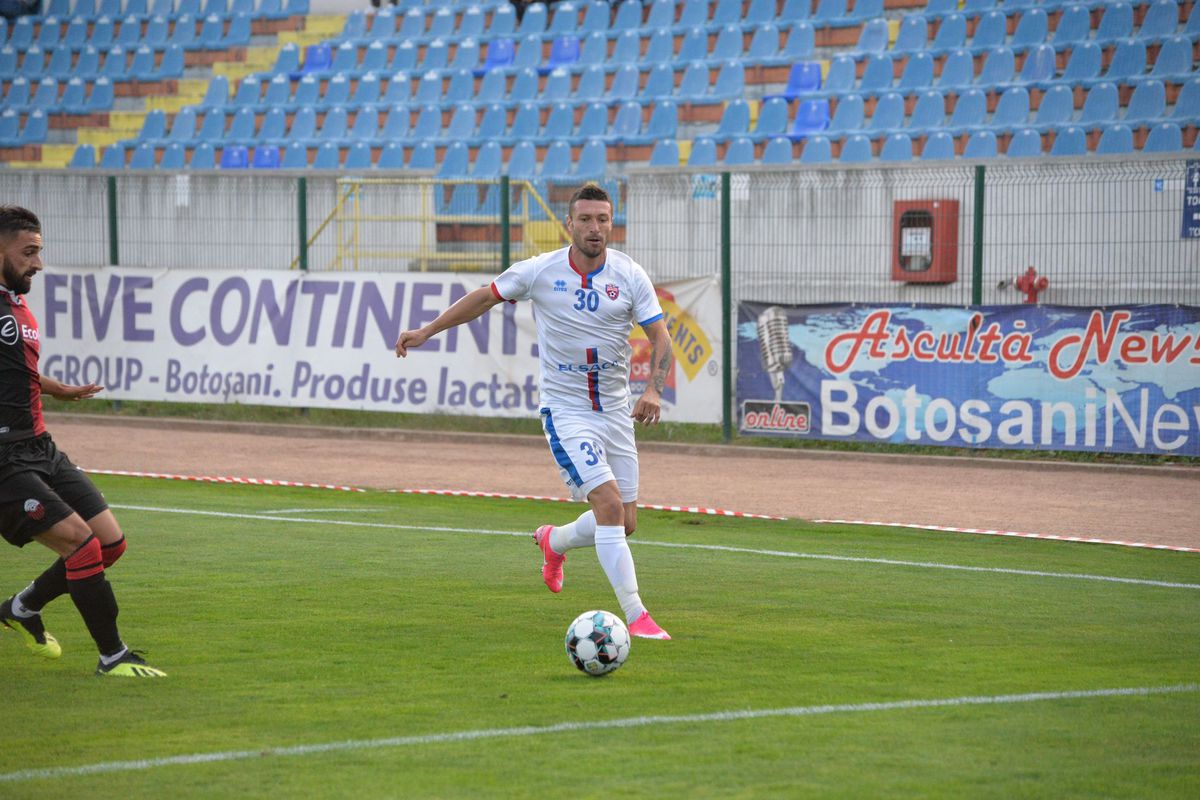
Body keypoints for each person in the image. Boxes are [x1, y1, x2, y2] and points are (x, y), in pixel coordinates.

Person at [395, 183, 673, 640]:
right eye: (585, 219)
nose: (595, 228)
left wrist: (655, 391)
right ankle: (636, 615)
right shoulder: (540, 271)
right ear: (569, 225)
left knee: (625, 523)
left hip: (616, 412)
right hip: (566, 410)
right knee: (605, 505)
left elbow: (660, 336)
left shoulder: (629, 275)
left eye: (603, 220)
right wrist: (428, 330)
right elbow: (485, 297)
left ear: (612, 224)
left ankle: (554, 541)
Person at [0, 206, 166, 678]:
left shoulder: (17, 303)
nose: (39, 263)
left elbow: (18, 372)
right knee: (82, 546)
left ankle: (21, 607)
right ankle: (113, 656)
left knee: (110, 544)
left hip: (40, 446)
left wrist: (60, 389)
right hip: (4, 459)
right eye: (29, 252)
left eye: (39, 252)